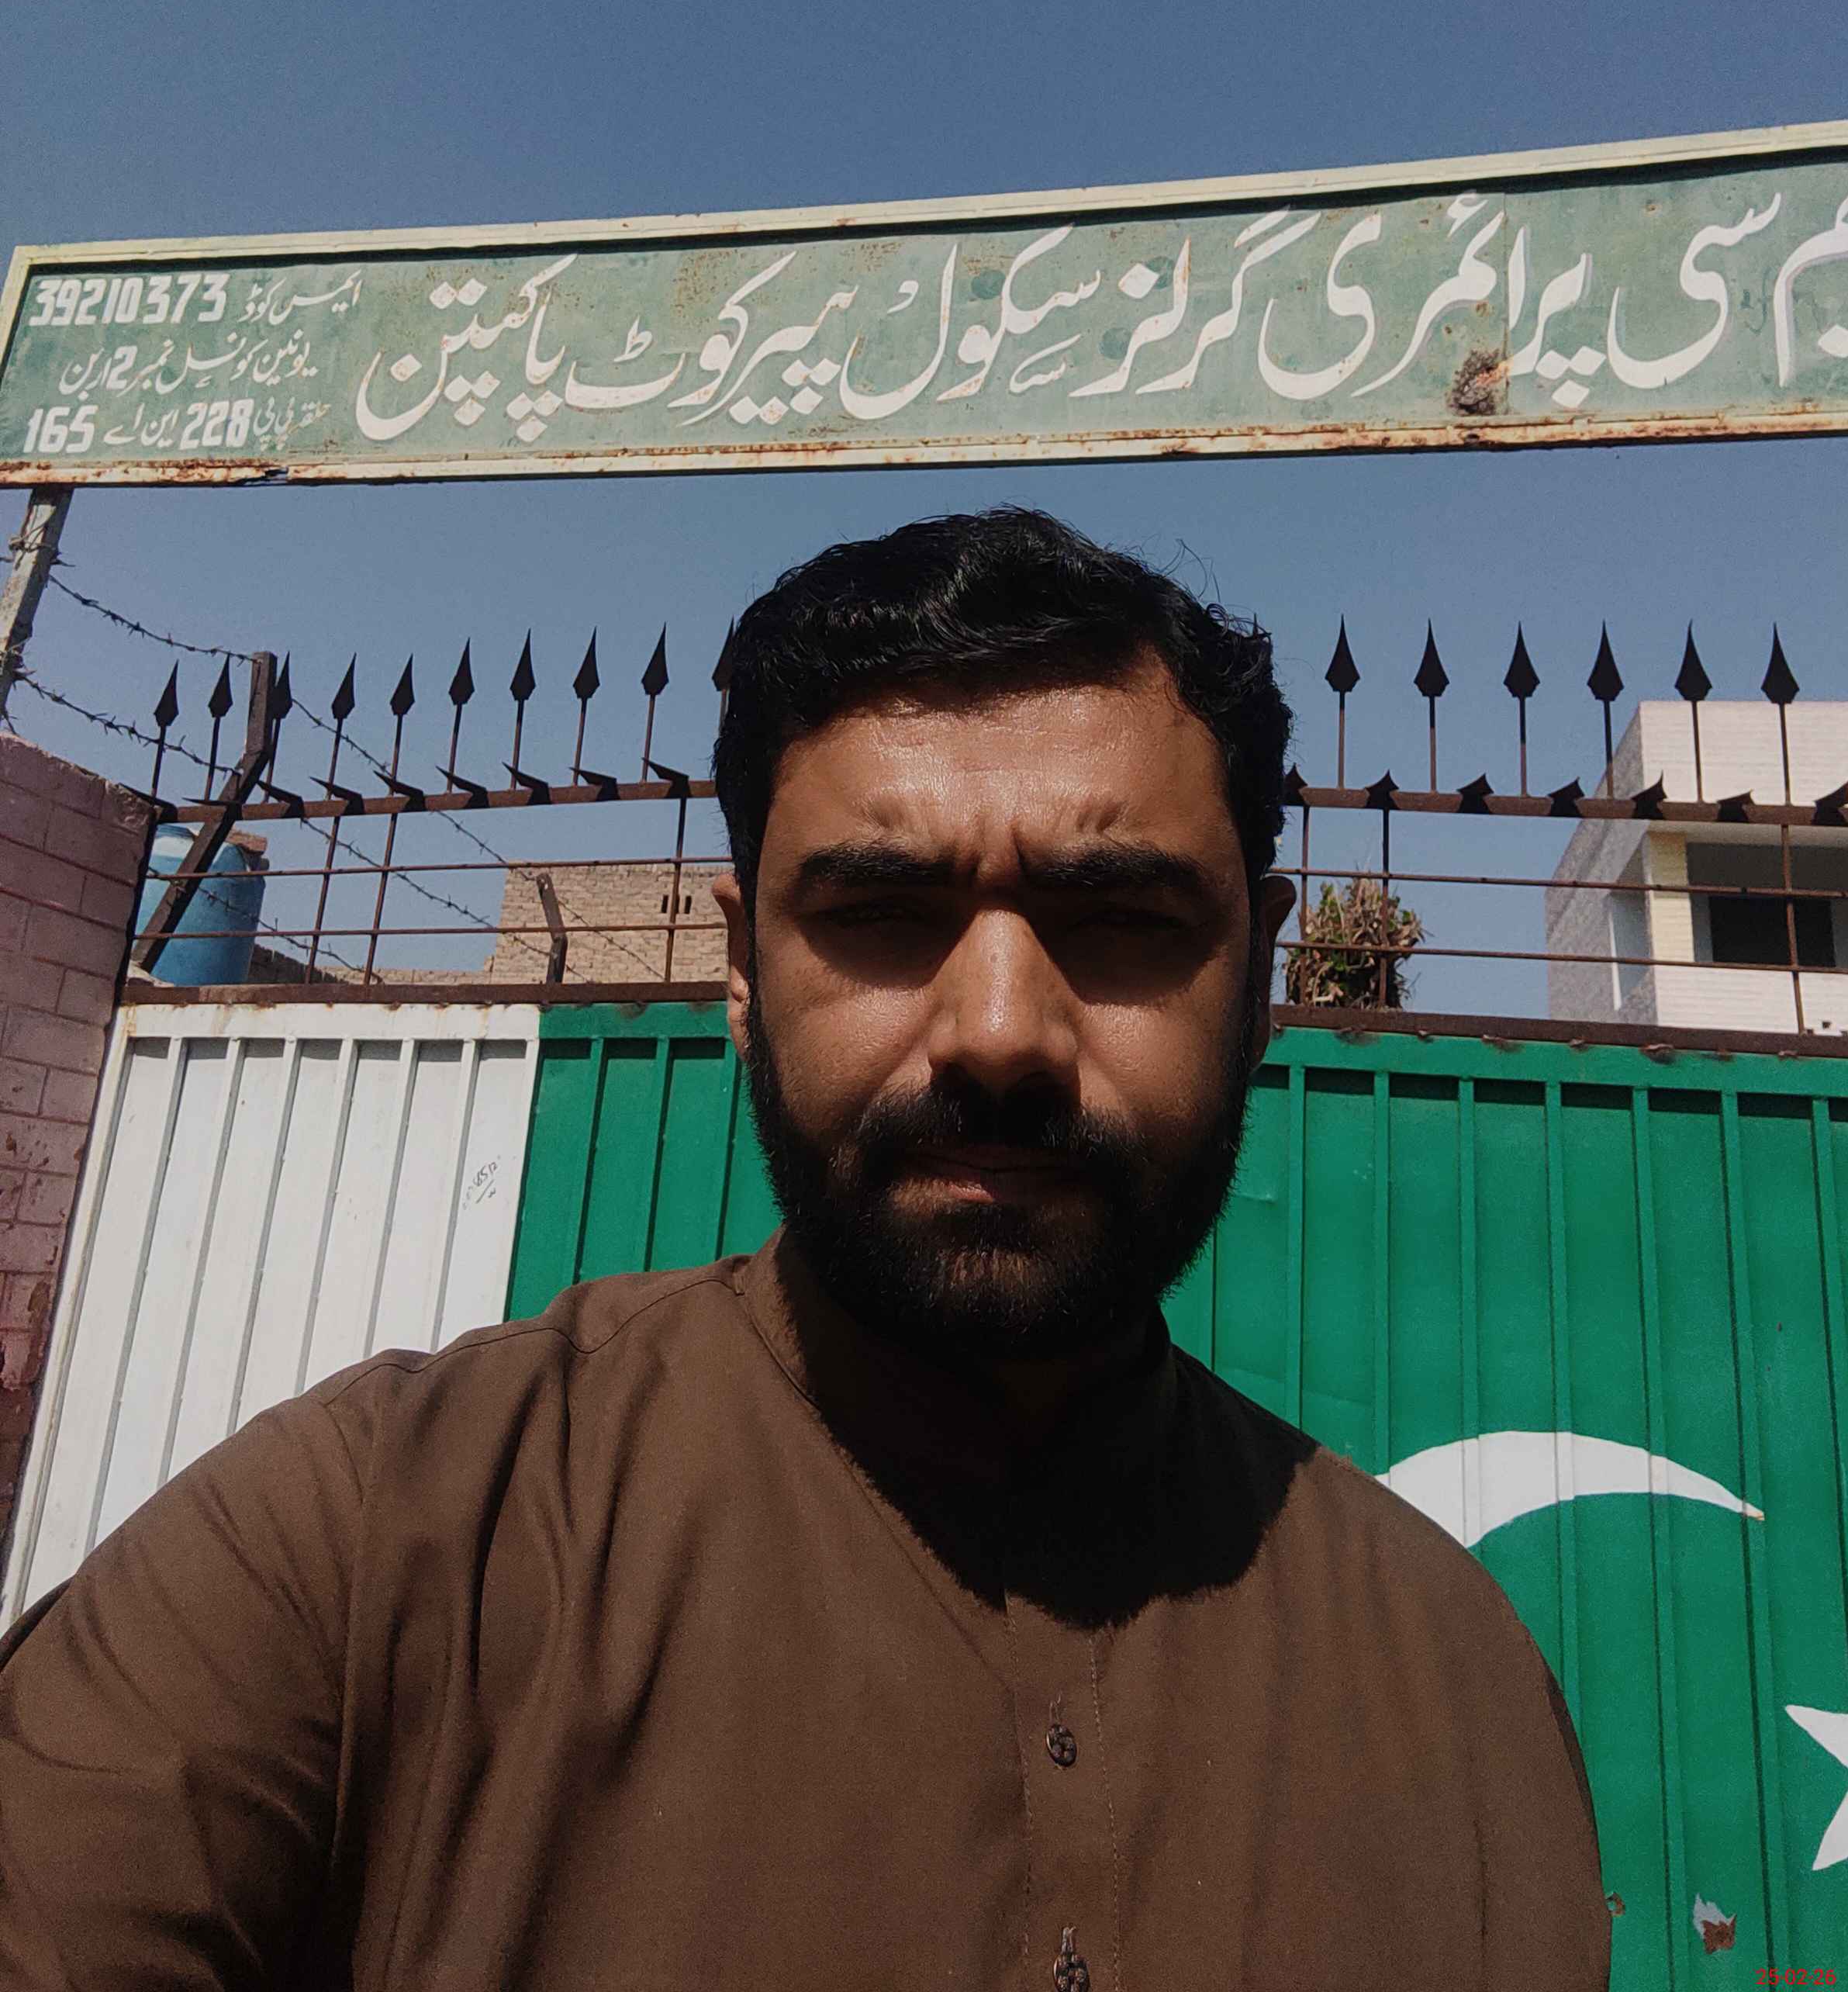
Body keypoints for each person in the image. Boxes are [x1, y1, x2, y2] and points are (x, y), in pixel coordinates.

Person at [0, 507, 1610, 1989]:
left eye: (1120, 919)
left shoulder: (1453, 1687)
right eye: (882, 912)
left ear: (1258, 977)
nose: (1000, 1031)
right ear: (740, 969)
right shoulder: (367, 1555)